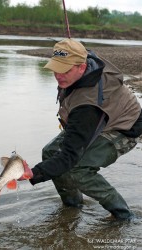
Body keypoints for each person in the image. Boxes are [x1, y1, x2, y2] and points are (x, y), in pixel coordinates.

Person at [21, 38, 142, 220]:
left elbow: (69, 156)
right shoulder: (86, 59)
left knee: (78, 169)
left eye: (65, 70)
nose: (58, 75)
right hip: (102, 114)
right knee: (50, 151)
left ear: (82, 67)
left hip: (124, 126)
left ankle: (124, 215)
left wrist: (34, 173)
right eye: (56, 68)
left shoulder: (86, 107)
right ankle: (72, 205)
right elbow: (80, 52)